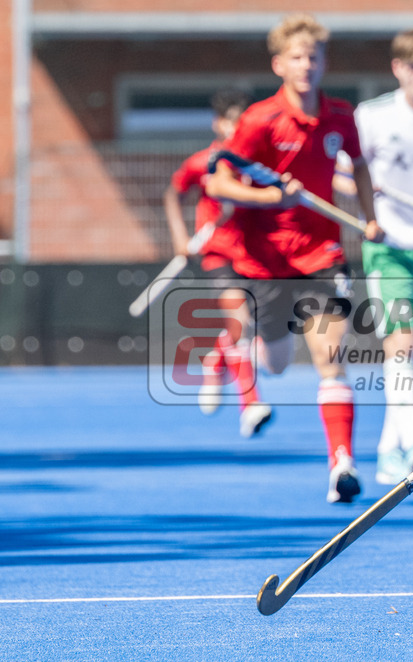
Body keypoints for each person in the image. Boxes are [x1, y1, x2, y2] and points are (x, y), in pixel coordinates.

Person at [206, 14, 384, 503]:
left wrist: (370, 217)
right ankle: (228, 348)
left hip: (323, 255)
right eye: (298, 58)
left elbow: (361, 168)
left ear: (324, 62)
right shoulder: (259, 120)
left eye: (315, 57)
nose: (307, 66)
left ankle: (341, 463)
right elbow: (218, 182)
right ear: (279, 65)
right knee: (278, 363)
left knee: (331, 356)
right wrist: (272, 200)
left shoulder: (340, 117)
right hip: (264, 262)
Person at [335, 29, 413, 484]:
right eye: (412, 66)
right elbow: (341, 177)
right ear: (396, 68)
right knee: (402, 343)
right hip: (388, 247)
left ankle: (390, 448)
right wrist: (365, 191)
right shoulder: (371, 117)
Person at [163, 88, 272, 439]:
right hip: (219, 252)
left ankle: (215, 360)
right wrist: (181, 237)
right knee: (240, 322)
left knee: (248, 325)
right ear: (218, 124)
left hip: (255, 254)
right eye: (230, 122)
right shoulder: (202, 162)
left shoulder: (256, 162)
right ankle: (251, 404)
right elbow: (173, 194)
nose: (236, 129)